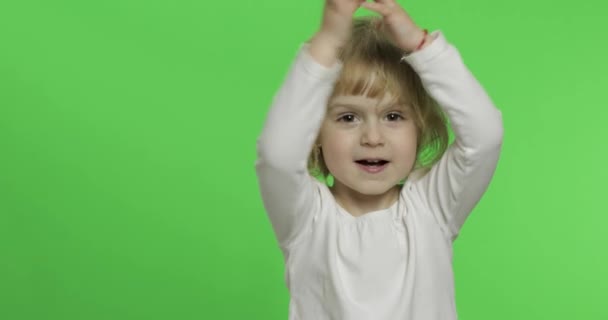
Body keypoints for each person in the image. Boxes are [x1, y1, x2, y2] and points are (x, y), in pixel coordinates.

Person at [255, 0, 504, 319]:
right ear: (314, 134)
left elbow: (484, 135)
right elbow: (277, 154)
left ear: (420, 128)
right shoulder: (306, 218)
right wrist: (327, 41)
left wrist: (421, 46)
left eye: (393, 116)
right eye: (348, 118)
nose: (373, 138)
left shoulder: (433, 206)